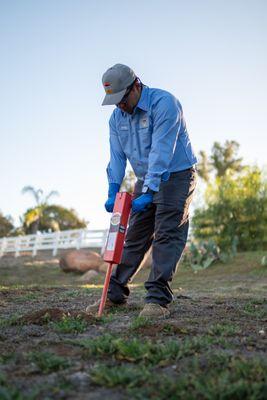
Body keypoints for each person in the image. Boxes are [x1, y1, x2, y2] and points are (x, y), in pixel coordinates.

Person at [86, 63, 197, 318]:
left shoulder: (165, 104)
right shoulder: (116, 118)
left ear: (137, 85)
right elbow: (116, 157)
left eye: (123, 99)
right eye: (114, 102)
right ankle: (114, 294)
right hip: (146, 178)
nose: (120, 106)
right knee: (133, 235)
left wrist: (150, 191)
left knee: (167, 234)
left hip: (176, 174)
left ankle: (157, 300)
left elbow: (162, 150)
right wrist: (113, 189)